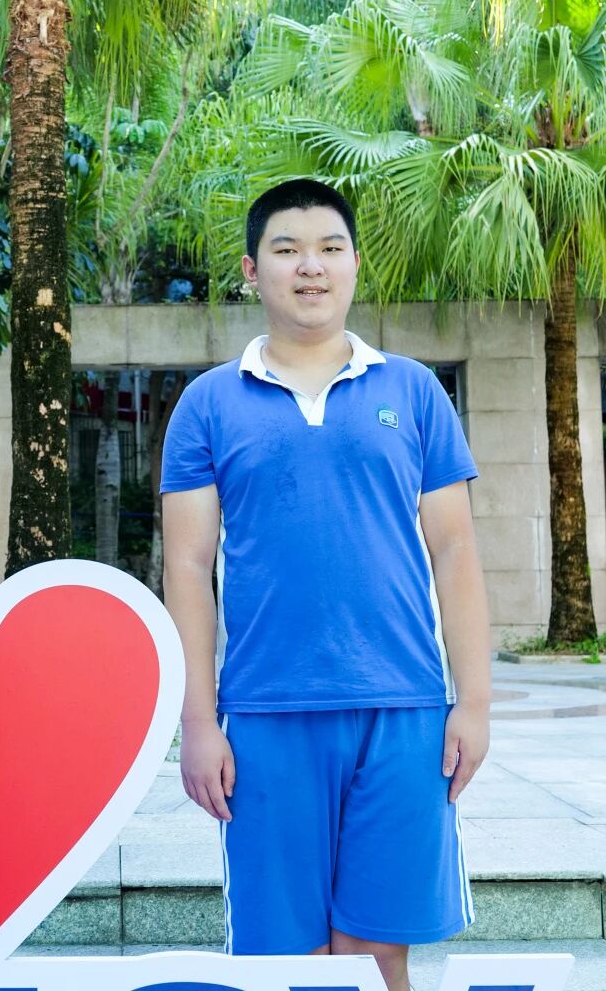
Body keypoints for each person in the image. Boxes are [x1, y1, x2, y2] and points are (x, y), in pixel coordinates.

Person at [160, 179, 490, 991]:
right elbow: (188, 568)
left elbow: (455, 551)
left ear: (353, 265)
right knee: (292, 964)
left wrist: (474, 705)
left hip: (403, 708)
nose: (310, 266)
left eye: (329, 249)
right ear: (252, 270)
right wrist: (197, 723)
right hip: (267, 713)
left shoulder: (413, 391)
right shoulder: (207, 405)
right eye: (287, 250)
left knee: (377, 954)